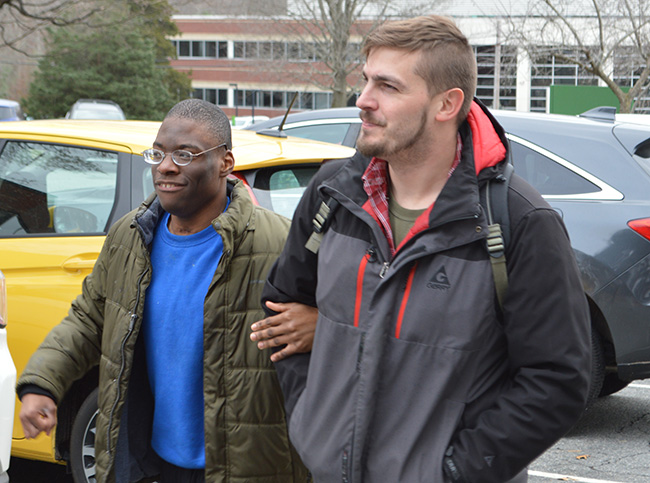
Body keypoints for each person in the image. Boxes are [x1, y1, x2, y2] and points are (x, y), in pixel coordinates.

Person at [257, 15, 591, 483]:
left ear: (446, 103)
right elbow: (280, 310)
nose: (363, 100)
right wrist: (310, 421)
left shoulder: (518, 221)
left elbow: (556, 381)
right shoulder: (332, 194)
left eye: (388, 86)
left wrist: (454, 470)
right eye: (366, 79)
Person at [16, 99, 308, 482]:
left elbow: (348, 322)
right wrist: (43, 383)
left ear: (225, 163)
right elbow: (89, 318)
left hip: (249, 465)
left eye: (185, 155)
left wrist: (322, 323)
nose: (166, 166)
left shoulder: (278, 242)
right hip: (153, 463)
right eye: (158, 153)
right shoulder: (131, 236)